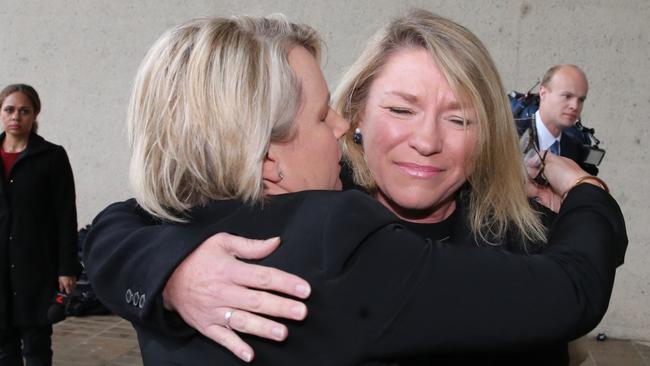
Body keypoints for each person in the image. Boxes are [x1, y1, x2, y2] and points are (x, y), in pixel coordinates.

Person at [83, 13, 626, 365]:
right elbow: (123, 222)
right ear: (357, 109)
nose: (427, 141)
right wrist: (172, 274)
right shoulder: (334, 223)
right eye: (400, 109)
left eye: (459, 119)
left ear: (490, 132)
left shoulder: (534, 234)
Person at [0, 84, 80, 366]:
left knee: (36, 347)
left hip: (36, 267)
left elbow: (65, 215)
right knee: (3, 349)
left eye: (24, 111)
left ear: (35, 115)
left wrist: (67, 267)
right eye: (9, 109)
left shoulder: (52, 157)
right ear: (1, 112)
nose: (16, 117)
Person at [530, 64, 597, 175]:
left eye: (581, 100)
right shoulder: (510, 136)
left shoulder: (576, 149)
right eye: (567, 96)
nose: (575, 106)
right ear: (543, 93)